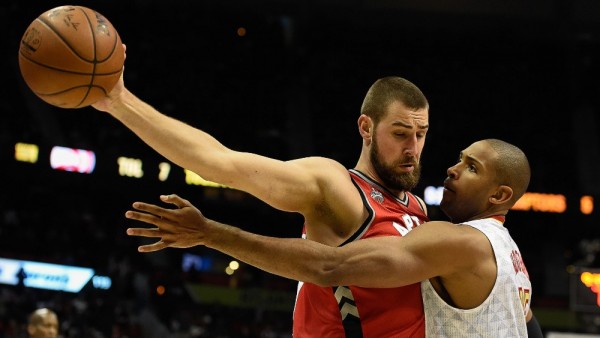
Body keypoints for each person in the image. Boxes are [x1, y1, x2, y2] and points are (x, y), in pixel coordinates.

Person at [93, 62, 431, 336]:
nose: (412, 148)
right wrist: (121, 102)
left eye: (421, 134)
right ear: (366, 127)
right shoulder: (336, 185)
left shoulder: (418, 209)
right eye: (400, 134)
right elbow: (218, 162)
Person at [124, 138, 543, 337]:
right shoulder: (511, 256)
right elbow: (532, 330)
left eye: (470, 167)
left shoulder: (459, 241)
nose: (451, 169)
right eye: (458, 158)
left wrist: (209, 233)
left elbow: (328, 265)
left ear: (500, 195)